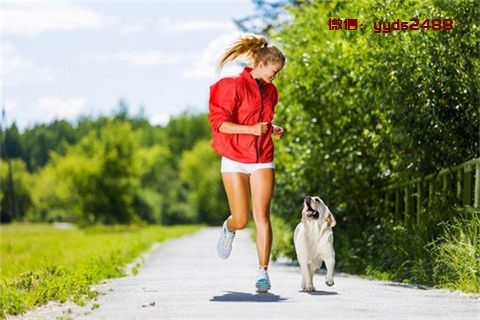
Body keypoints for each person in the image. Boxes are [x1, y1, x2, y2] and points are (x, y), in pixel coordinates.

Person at [208, 34, 286, 293]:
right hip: (234, 158)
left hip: (262, 157)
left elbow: (260, 122)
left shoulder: (271, 91)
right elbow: (221, 124)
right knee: (241, 219)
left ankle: (262, 272)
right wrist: (252, 129)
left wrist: (271, 129)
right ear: (261, 65)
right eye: (274, 71)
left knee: (262, 215)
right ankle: (229, 228)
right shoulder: (232, 86)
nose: (276, 76)